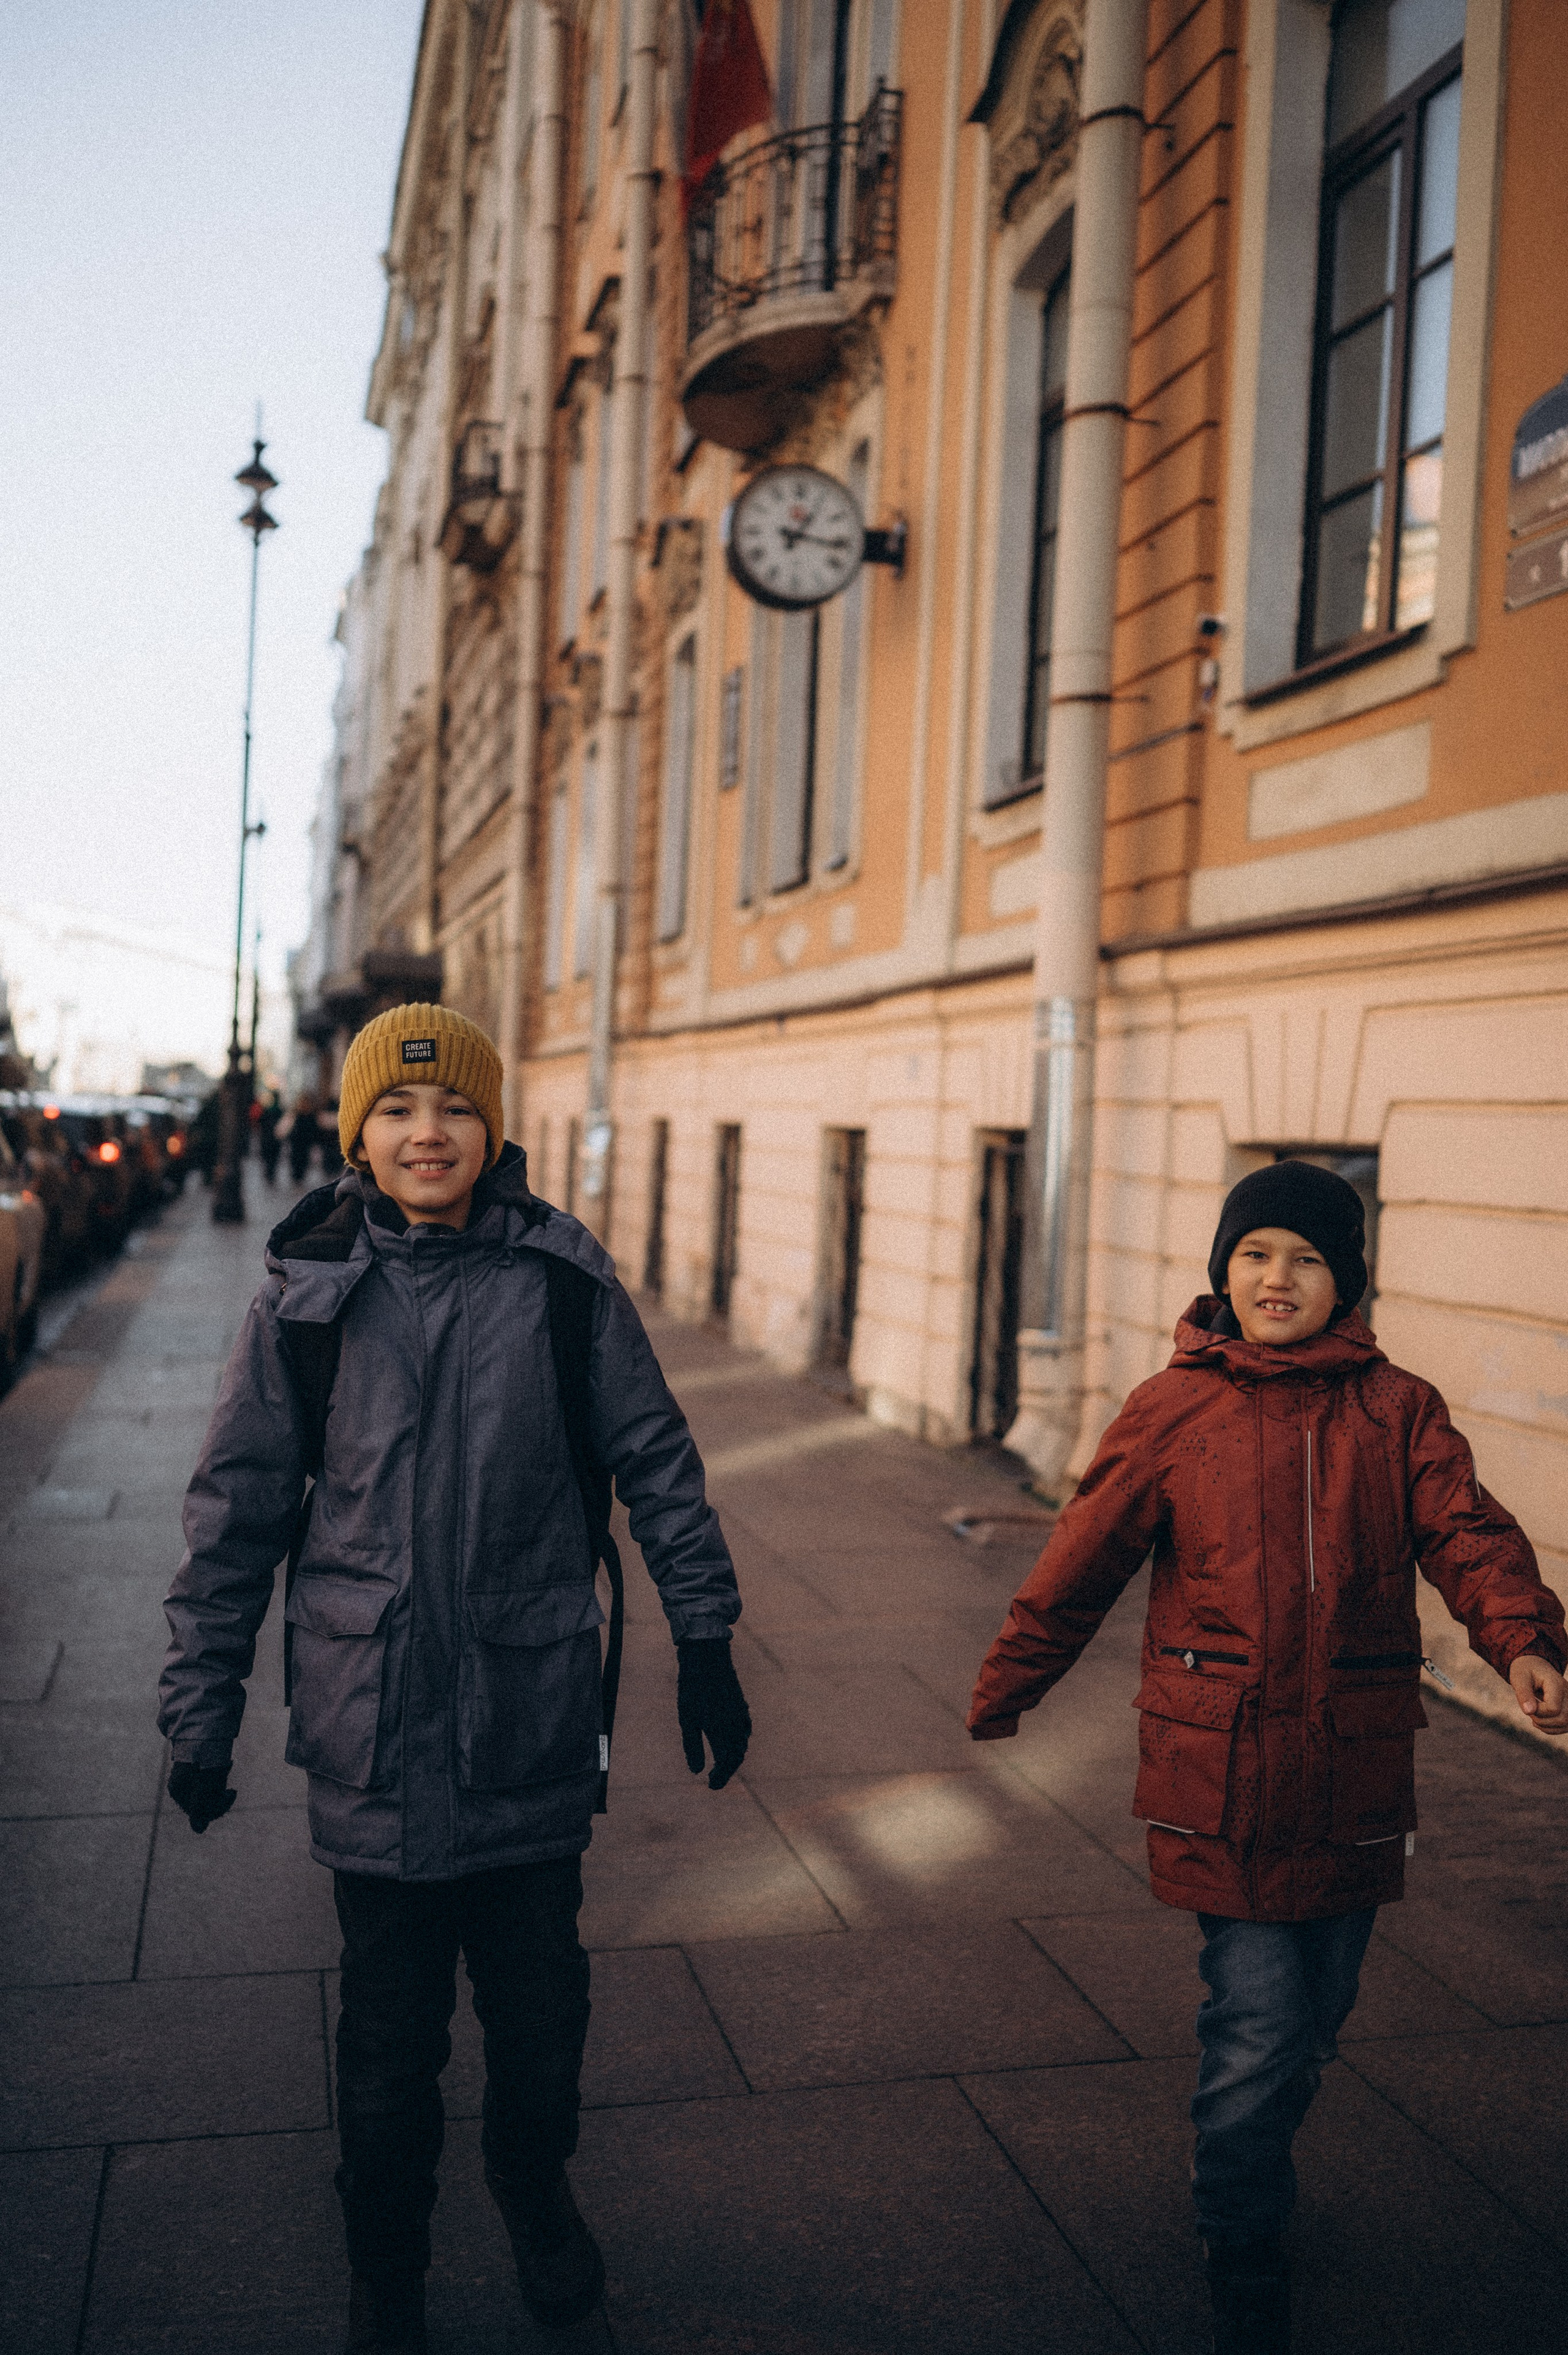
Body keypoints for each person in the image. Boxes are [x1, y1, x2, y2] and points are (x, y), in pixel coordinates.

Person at [158, 1003, 750, 2354]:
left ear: (495, 1129)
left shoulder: (559, 1279)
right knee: (386, 2045)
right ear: (357, 1134)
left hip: (528, 1723)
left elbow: (655, 1459)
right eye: (399, 1111)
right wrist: (197, 1711)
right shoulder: (303, 1298)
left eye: (456, 1110)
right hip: (373, 1740)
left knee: (543, 2021)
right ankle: (388, 2262)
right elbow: (235, 1513)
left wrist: (704, 1635)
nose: (429, 1134)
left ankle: (534, 2191)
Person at [967, 1162, 1567, 2355]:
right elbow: (1077, 1559)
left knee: (1317, 2013)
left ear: (1343, 1279)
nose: (1274, 1276)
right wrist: (1011, 1679)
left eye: (1302, 1256)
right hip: (1219, 1770)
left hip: (1352, 1770)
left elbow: (1466, 1530)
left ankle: (1245, 2143)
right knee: (1252, 2018)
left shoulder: (1397, 1408)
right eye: (1253, 1254)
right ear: (1221, 1271)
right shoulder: (1170, 1407)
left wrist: (1523, 1639)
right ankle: (1237, 2221)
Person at [287, 1094, 320, 1185]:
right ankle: (296, 1177)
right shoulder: (296, 1114)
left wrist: (315, 1141)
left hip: (306, 1143)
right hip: (296, 1142)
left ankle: (300, 1177)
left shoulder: (311, 1115)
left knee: (304, 1160)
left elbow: (315, 1129)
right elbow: (290, 1127)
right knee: (295, 1160)